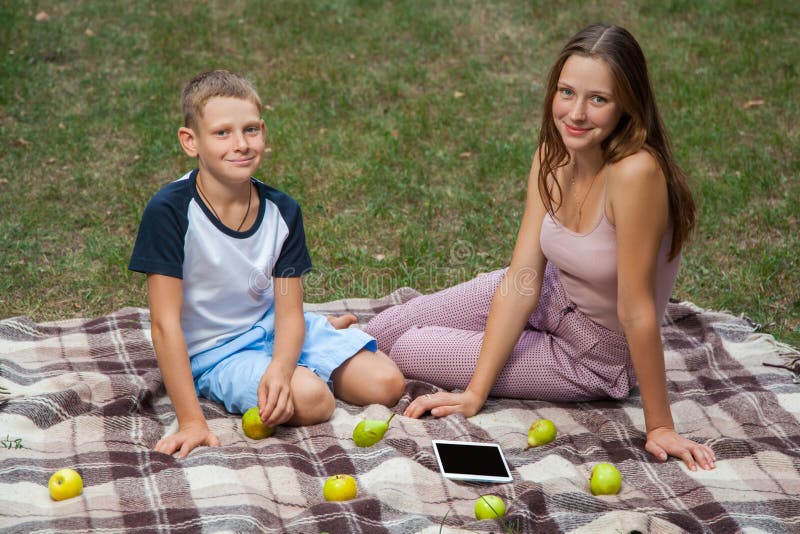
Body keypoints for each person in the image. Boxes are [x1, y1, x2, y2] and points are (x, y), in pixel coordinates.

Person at [364, 24, 716, 471]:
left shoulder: (635, 173)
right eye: (567, 92)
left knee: (410, 348)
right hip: (549, 292)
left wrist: (660, 425)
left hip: (593, 353)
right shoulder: (552, 156)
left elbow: (636, 310)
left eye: (598, 99)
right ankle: (287, 351)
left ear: (628, 103)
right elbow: (522, 278)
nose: (577, 113)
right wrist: (476, 390)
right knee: (381, 330)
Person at [129, 70, 404, 458]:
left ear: (264, 132)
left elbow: (289, 312)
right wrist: (191, 420)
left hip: (277, 327)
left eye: (251, 130)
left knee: (387, 383)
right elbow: (164, 324)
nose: (240, 144)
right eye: (222, 133)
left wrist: (280, 365)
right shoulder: (170, 211)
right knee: (314, 399)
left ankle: (320, 337)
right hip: (217, 350)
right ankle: (315, 355)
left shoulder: (283, 210)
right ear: (190, 141)